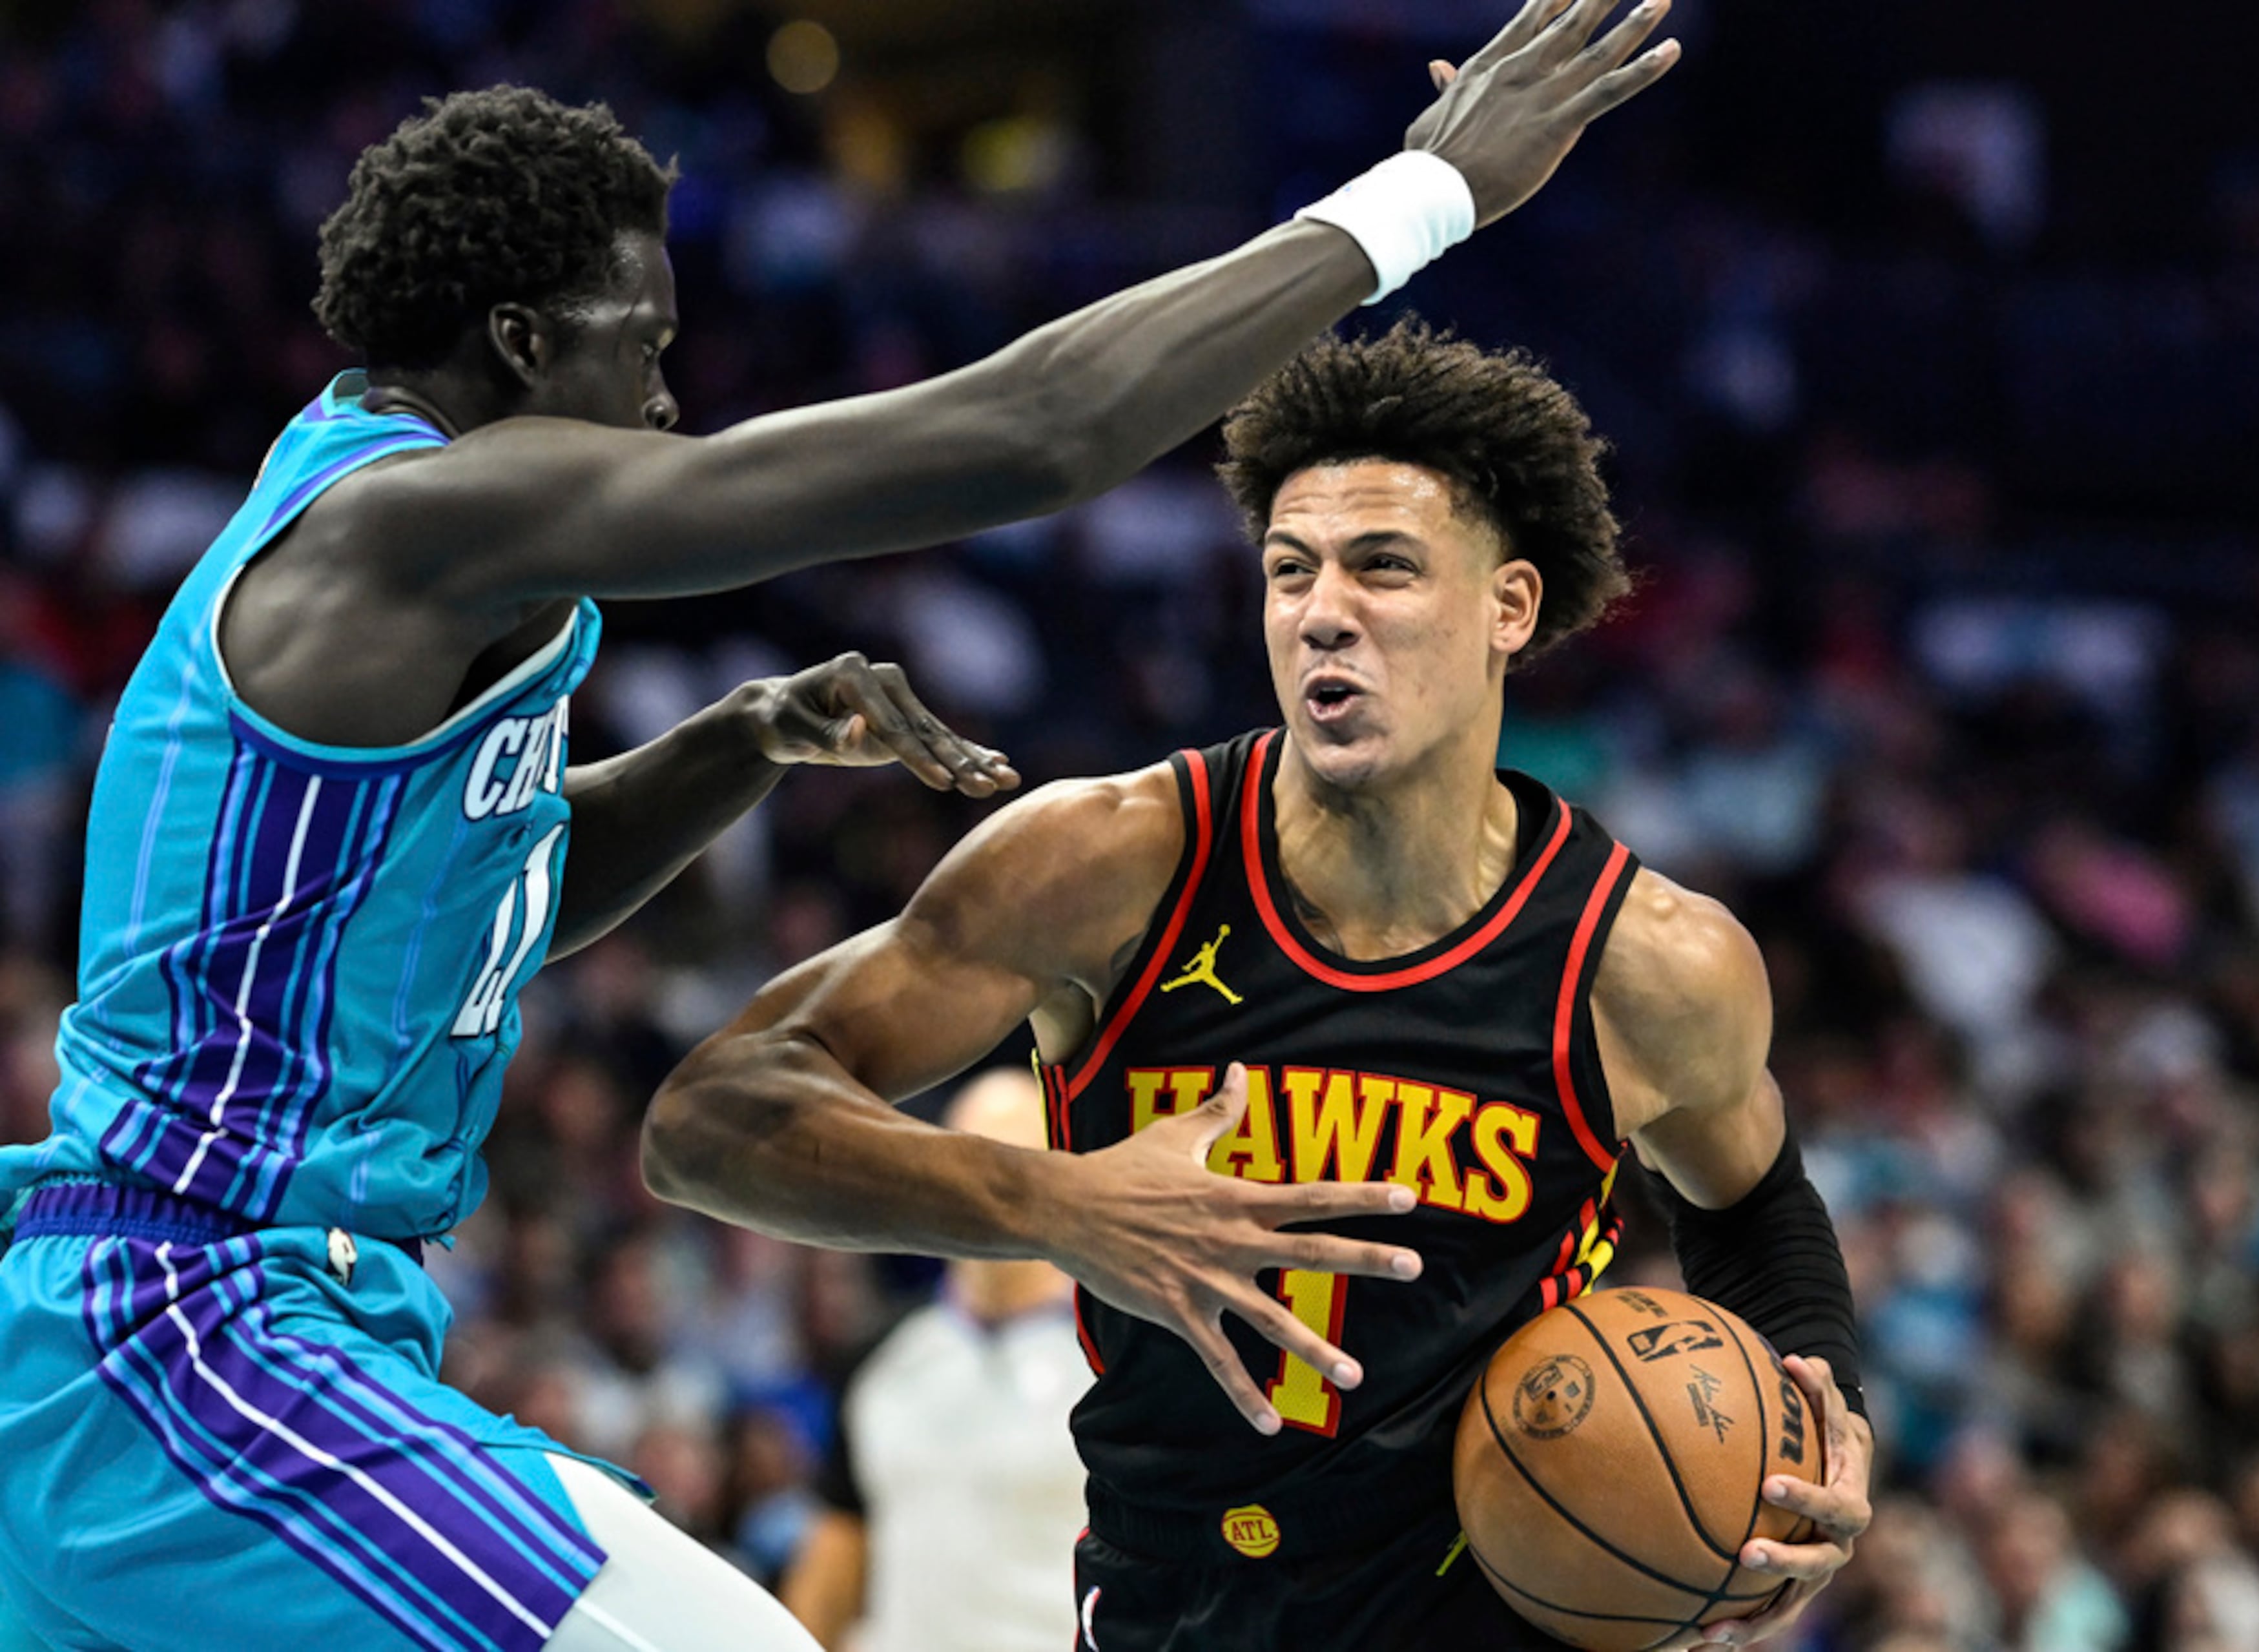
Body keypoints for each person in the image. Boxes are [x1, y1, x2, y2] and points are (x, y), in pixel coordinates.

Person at [0, 2, 1688, 1646]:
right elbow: (1036, 428)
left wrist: (739, 740)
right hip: (192, 1330)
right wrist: (1428, 194)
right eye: (640, 346)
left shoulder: (390, 562)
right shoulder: (417, 516)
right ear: (522, 343)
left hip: (216, 1329)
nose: (664, 402)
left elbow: (472, 907)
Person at [644, 320, 1877, 1649]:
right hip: (1182, 1609)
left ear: (1510, 607)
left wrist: (1826, 1421)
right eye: (1290, 571)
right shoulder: (1108, 863)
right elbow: (704, 1121)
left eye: (1385, 568)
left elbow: (1755, 1208)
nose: (1323, 610)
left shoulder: (1645, 960)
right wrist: (1061, 1203)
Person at [776, 1068, 1092, 1652]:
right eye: (969, 1164)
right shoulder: (880, 1361)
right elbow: (831, 1569)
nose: (988, 1190)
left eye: (1016, 1163)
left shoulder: (1113, 1360)